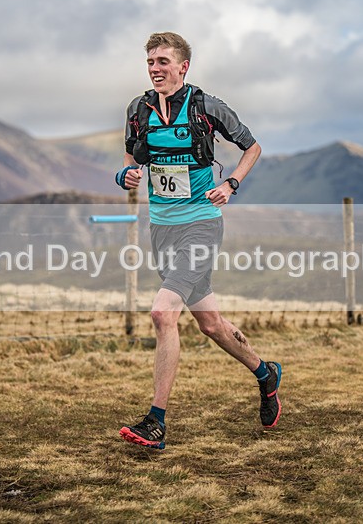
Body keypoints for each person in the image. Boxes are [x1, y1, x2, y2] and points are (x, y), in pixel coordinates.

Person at [115, 32, 282, 450]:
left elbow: (253, 146)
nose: (155, 68)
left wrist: (231, 184)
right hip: (163, 228)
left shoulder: (207, 107)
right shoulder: (139, 109)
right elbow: (130, 159)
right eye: (150, 61)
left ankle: (155, 422)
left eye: (163, 61)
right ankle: (266, 374)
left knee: (161, 313)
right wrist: (126, 176)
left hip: (202, 224)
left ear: (183, 66)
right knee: (210, 324)